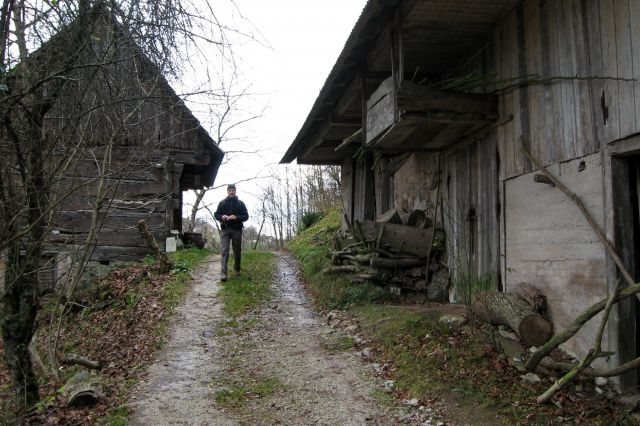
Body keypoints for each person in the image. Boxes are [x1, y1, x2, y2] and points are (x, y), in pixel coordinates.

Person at [214, 184, 249, 281]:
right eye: (230, 190)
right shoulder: (222, 203)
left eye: (233, 190)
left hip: (237, 229)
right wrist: (221, 217)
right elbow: (216, 214)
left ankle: (237, 269)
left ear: (235, 191)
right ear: (227, 191)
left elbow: (246, 216)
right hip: (225, 229)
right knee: (224, 251)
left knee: (237, 250)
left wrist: (236, 217)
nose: (231, 192)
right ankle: (223, 273)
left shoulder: (240, 203)